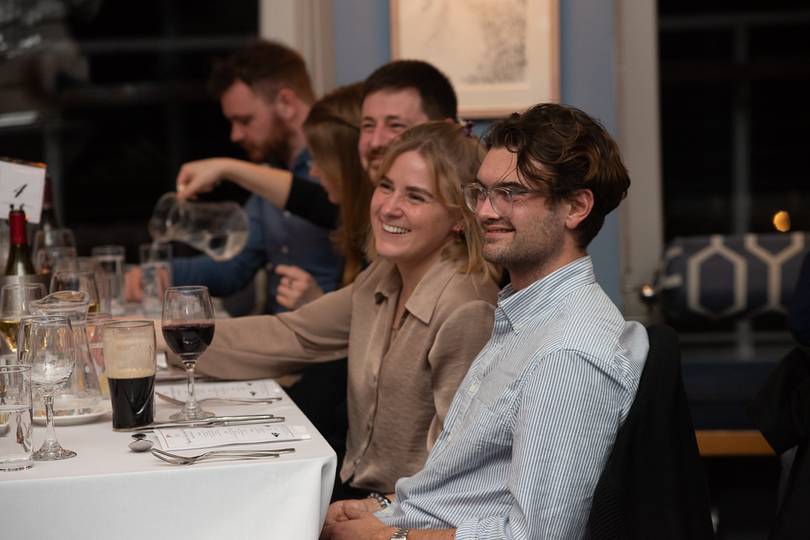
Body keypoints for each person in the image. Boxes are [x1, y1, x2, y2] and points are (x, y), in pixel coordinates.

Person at [320, 103, 650, 540]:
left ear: (575, 207)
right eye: (482, 192)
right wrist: (381, 507)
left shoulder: (568, 353)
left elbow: (534, 537)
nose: (486, 212)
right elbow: (473, 489)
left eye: (510, 193)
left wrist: (389, 537)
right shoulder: (522, 317)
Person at [164, 122, 501, 496]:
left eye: (416, 197)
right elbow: (292, 335)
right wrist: (150, 335)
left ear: (461, 217)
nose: (389, 208)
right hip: (356, 489)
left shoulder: (466, 308)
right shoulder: (384, 275)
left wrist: (375, 512)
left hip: (402, 513)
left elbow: (459, 468)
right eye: (386, 186)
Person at [173, 60, 459, 307]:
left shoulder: (453, 254)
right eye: (368, 126)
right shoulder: (364, 215)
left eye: (395, 125)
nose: (375, 141)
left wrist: (225, 168)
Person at [125, 40, 341, 314]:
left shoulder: (338, 172)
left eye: (245, 120)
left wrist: (227, 167)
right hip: (278, 332)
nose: (235, 135)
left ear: (287, 104)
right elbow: (234, 266)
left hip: (330, 333)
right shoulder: (271, 176)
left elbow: (323, 206)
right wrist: (164, 273)